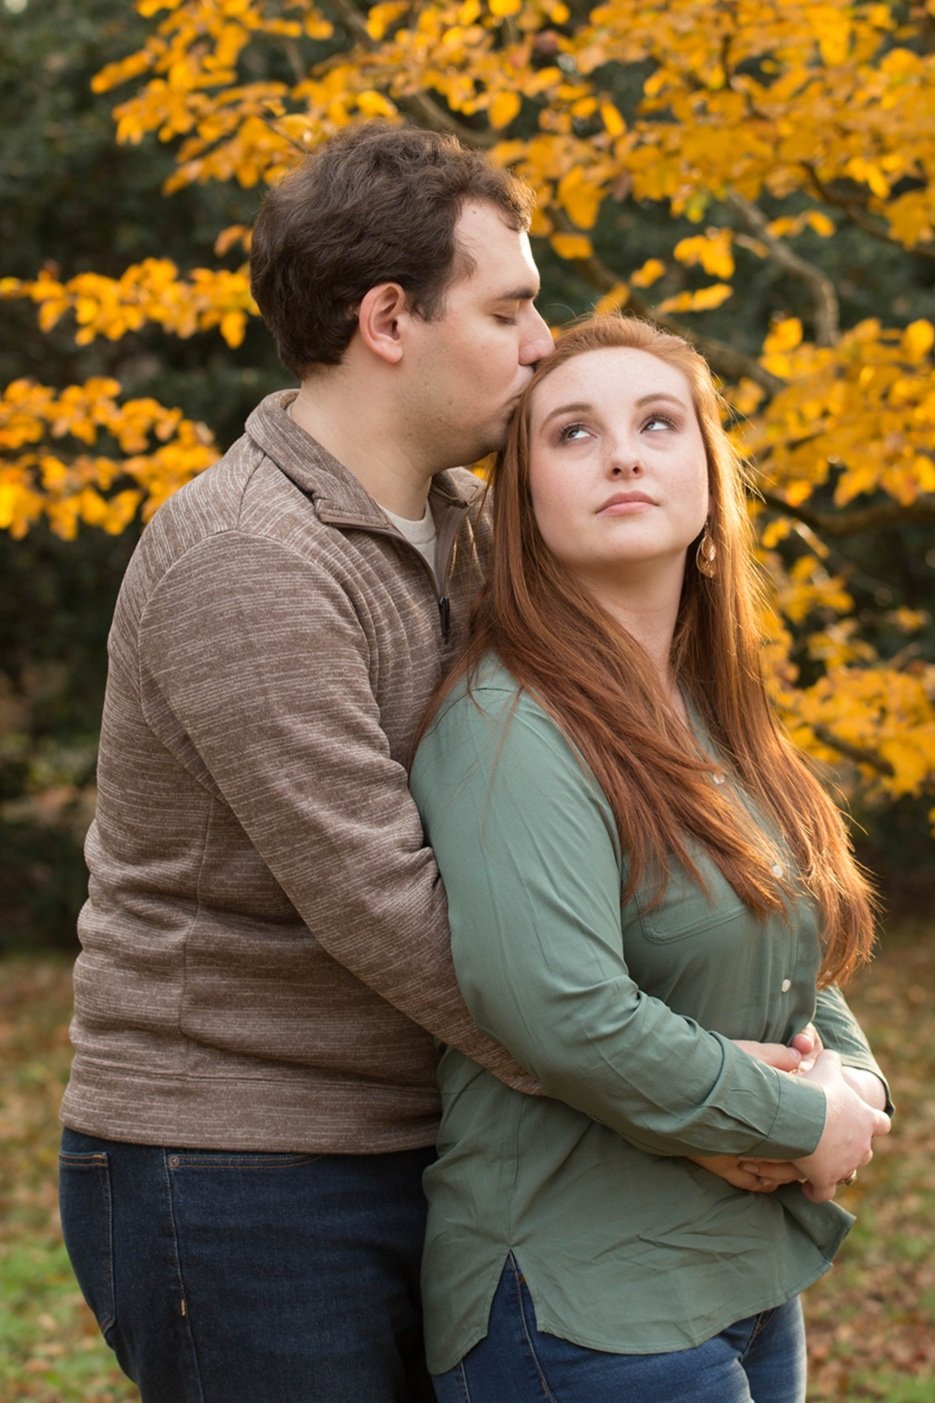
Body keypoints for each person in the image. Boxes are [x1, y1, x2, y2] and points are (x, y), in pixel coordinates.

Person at [57, 122, 554, 1403]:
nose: (541, 345)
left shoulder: (463, 524)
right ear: (390, 318)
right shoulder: (249, 557)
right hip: (235, 1168)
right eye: (509, 309)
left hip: (425, 1137)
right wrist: (673, 1083)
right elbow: (387, 906)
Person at [410, 313, 892, 1403]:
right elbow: (557, 1004)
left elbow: (790, 950)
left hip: (742, 1271)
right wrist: (795, 1120)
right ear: (521, 505)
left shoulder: (712, 713)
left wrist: (851, 1085)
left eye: (656, 422)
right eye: (572, 432)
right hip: (583, 1304)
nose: (622, 451)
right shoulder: (506, 723)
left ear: (709, 482)